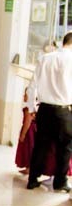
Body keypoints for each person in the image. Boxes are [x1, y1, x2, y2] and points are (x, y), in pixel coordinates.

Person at [27, 31, 72, 192]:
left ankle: (33, 179)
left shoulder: (45, 58)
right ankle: (60, 182)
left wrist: (31, 108)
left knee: (40, 146)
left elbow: (32, 86)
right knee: (65, 148)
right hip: (63, 110)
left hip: (44, 109)